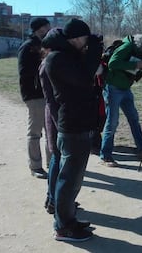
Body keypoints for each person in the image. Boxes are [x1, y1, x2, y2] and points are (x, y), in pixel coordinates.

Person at [45, 18, 103, 242]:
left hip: (77, 123)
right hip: (73, 125)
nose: (87, 44)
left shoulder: (66, 56)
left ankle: (67, 220)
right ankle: (63, 226)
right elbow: (84, 76)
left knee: (71, 179)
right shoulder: (57, 58)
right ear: (77, 38)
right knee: (69, 180)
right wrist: (95, 50)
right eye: (85, 40)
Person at [99, 33, 142, 167]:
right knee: (112, 122)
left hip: (126, 89)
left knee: (134, 119)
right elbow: (113, 63)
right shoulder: (127, 46)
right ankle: (106, 156)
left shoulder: (140, 51)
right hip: (113, 88)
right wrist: (134, 65)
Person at [17, 17, 51, 179]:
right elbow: (25, 74)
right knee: (35, 133)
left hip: (48, 94)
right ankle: (35, 166)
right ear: (40, 29)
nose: (49, 29)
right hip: (35, 96)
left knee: (51, 132)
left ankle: (53, 164)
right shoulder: (28, 47)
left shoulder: (45, 44)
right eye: (46, 26)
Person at [39, 28, 63, 214]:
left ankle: (53, 198)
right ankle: (54, 200)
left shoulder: (53, 61)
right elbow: (51, 99)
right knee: (56, 157)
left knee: (58, 157)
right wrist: (59, 123)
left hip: (56, 114)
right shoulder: (49, 63)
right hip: (56, 116)